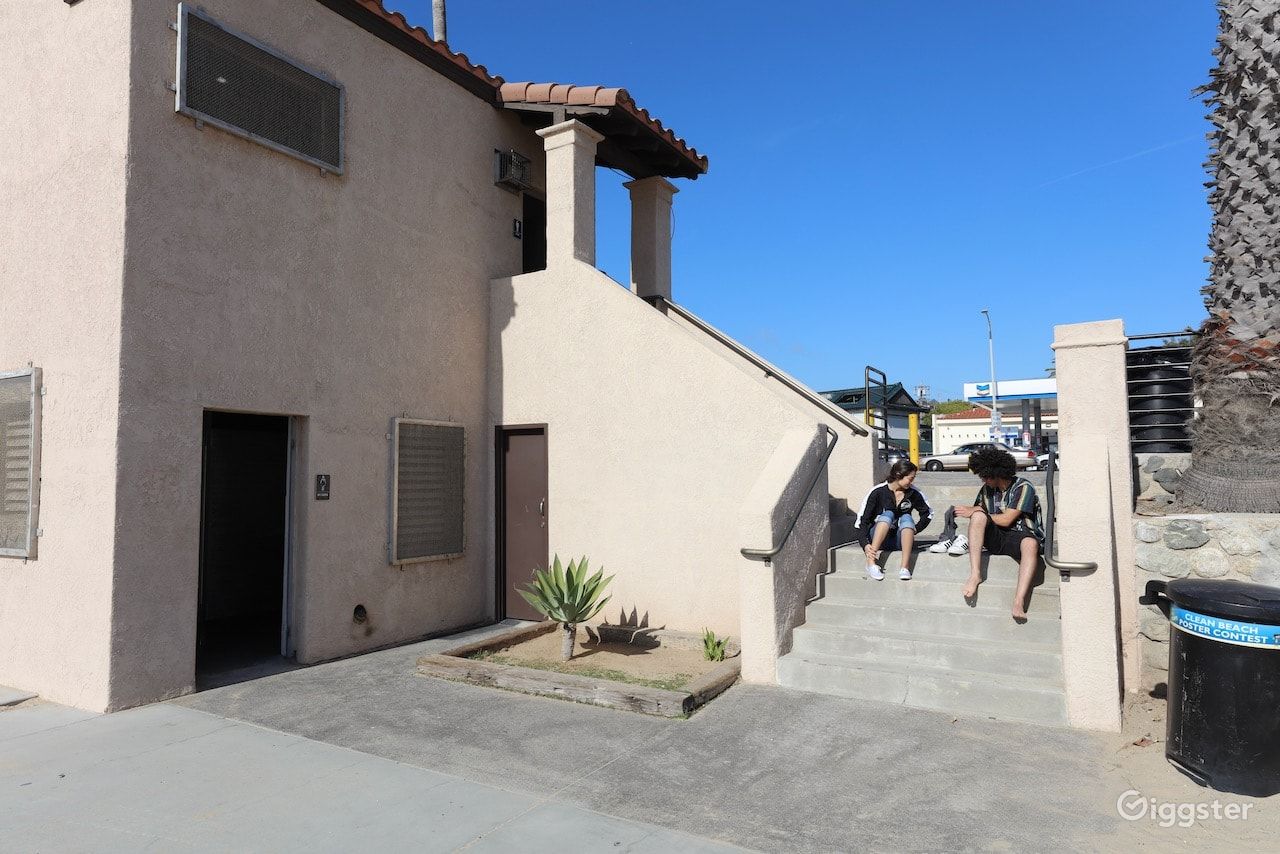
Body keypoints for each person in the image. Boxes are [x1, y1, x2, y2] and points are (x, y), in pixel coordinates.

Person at [946, 446, 1045, 621]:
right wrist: (973, 511)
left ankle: (1018, 600)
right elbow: (980, 514)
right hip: (997, 537)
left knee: (1030, 544)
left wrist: (978, 512)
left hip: (1021, 535)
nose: (983, 480)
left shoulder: (1023, 486)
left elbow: (1007, 519)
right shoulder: (986, 490)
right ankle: (975, 574)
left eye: (985, 476)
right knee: (978, 516)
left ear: (996, 473)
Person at [854, 460, 932, 581]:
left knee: (907, 517)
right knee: (888, 514)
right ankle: (871, 562)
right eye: (910, 478)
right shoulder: (878, 492)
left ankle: (904, 567)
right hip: (877, 538)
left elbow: (928, 513)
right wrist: (864, 544)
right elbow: (862, 520)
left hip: (899, 541)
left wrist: (916, 528)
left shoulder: (913, 493)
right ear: (898, 474)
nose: (912, 482)